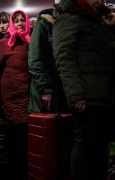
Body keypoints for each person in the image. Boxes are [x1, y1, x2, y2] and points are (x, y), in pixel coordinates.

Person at [53, 0, 115, 179]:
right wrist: (76, 94)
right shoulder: (69, 18)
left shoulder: (96, 21)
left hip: (103, 93)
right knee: (86, 144)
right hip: (87, 95)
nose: (100, 0)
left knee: (101, 145)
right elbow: (64, 58)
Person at [0, 9, 31, 180]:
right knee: (14, 142)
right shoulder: (2, 44)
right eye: (17, 20)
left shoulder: (30, 41)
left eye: (22, 20)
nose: (20, 23)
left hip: (28, 99)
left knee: (26, 142)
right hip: (10, 100)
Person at [28, 8, 68, 113]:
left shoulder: (67, 26)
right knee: (47, 125)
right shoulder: (43, 25)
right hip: (48, 91)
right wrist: (46, 90)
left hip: (65, 91)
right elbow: (36, 59)